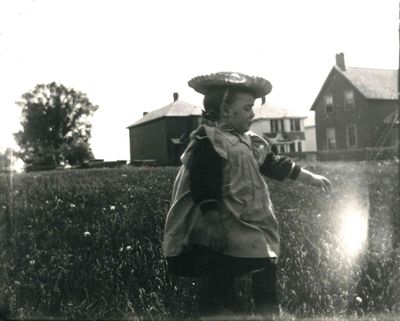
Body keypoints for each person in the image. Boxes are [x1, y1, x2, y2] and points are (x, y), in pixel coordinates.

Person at [162, 71, 332, 319]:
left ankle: (268, 312)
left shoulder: (251, 142)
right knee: (224, 269)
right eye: (247, 108)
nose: (252, 113)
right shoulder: (210, 141)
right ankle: (216, 310)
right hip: (223, 219)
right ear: (225, 110)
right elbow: (203, 181)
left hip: (248, 221)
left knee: (264, 260)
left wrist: (311, 179)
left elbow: (276, 165)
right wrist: (211, 221)